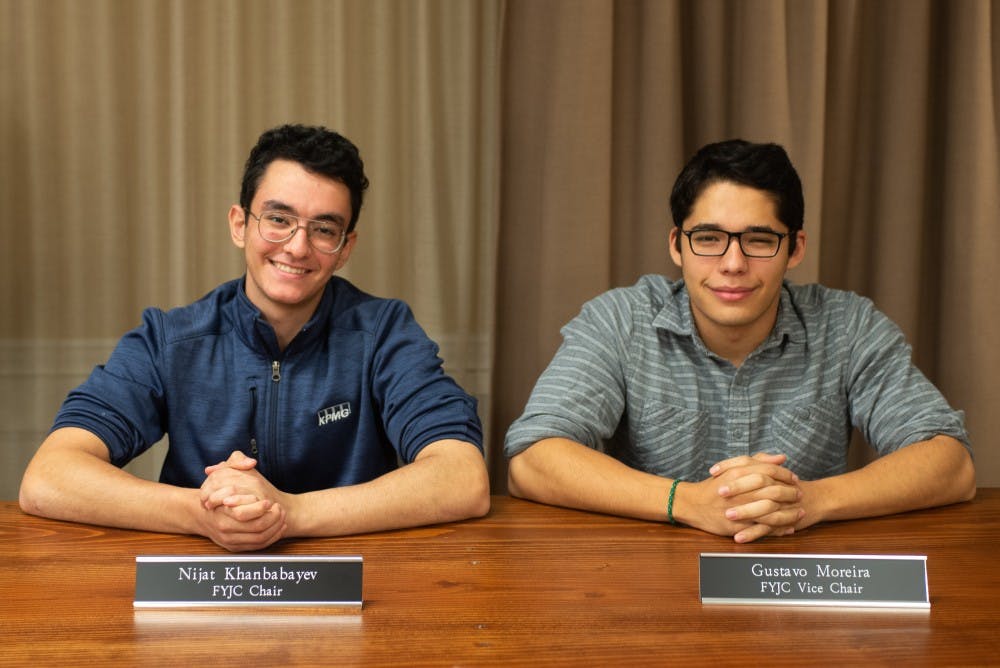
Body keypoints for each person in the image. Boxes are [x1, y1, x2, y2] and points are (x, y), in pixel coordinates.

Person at [20, 124, 490, 551]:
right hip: (198, 580)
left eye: (324, 229)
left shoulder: (384, 333)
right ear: (240, 225)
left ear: (345, 248)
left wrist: (291, 513)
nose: (298, 247)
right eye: (278, 219)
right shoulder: (171, 339)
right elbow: (48, 477)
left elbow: (462, 478)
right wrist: (198, 513)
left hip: (353, 581)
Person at [505, 139, 975, 544]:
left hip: (802, 580)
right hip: (650, 579)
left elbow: (951, 465)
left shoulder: (847, 326)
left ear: (795, 248)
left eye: (759, 240)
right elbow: (533, 460)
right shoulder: (620, 320)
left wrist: (808, 500)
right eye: (709, 238)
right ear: (676, 244)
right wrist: (687, 502)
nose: (732, 264)